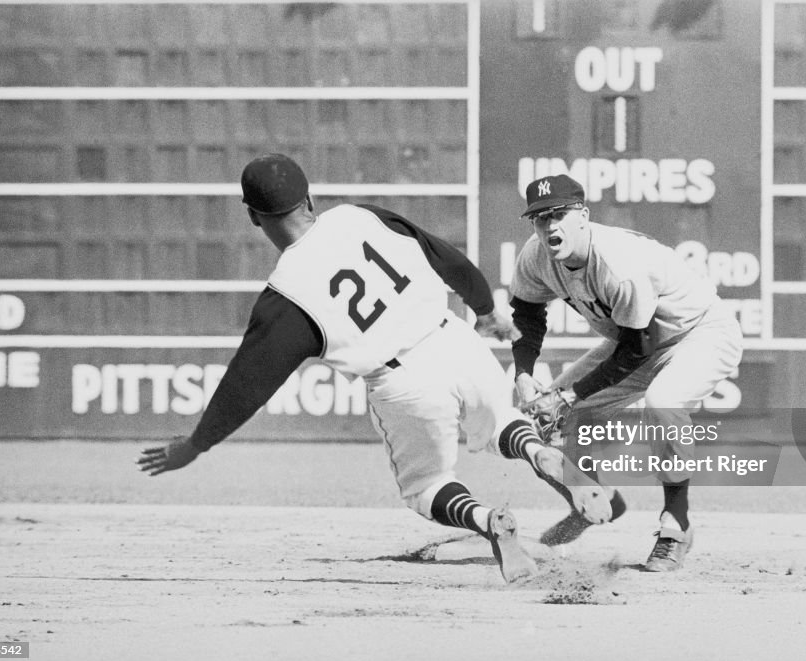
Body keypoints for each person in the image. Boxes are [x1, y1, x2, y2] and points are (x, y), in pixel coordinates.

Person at [136, 154, 612, 583]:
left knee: (426, 487)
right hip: (452, 336)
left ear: (253, 216)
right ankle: (537, 451)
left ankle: (489, 521)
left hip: (402, 380)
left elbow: (246, 386)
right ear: (309, 198)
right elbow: (442, 254)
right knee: (505, 423)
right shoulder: (357, 216)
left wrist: (197, 443)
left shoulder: (285, 299)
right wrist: (485, 309)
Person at [509, 174, 743, 571]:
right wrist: (523, 372)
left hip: (700, 332)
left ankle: (676, 525)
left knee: (664, 402)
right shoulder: (536, 256)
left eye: (559, 214)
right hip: (637, 341)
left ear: (583, 216)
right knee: (541, 422)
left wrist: (569, 394)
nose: (550, 226)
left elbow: (639, 348)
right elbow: (527, 314)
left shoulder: (618, 263)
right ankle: (592, 502)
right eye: (540, 218)